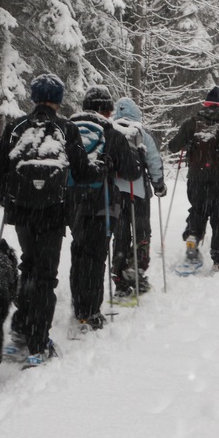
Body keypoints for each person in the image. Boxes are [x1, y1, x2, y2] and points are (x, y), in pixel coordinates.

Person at [0, 73, 103, 368]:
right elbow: (82, 172)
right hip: (54, 212)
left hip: (23, 213)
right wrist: (101, 168)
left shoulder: (16, 128)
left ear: (34, 96)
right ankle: (39, 345)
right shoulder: (65, 128)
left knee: (28, 267)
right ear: (59, 99)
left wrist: (8, 199)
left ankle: (19, 332)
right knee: (45, 276)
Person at [68, 86, 141, 329]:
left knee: (78, 252)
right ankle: (90, 312)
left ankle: (78, 307)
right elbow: (132, 172)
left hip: (71, 203)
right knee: (96, 257)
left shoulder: (67, 129)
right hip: (103, 204)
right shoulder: (113, 135)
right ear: (106, 110)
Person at [167, 86, 219, 271]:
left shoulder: (191, 122)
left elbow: (173, 146)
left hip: (196, 179)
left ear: (205, 104)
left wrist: (188, 142)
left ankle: (193, 236)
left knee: (198, 210)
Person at [110, 97, 166, 297]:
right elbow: (153, 161)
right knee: (142, 233)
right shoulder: (141, 133)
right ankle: (136, 270)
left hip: (115, 194)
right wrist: (159, 185)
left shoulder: (110, 130)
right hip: (139, 193)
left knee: (121, 235)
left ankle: (120, 281)